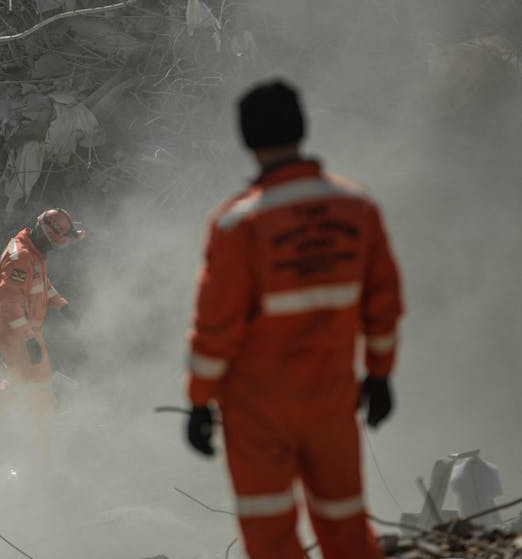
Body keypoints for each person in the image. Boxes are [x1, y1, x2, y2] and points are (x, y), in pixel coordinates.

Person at [183, 79, 403, 559]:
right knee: (346, 524)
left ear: (247, 141)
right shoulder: (357, 207)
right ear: (302, 127)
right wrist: (381, 376)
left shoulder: (238, 224)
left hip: (257, 411)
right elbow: (383, 304)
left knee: (271, 535)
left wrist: (199, 402)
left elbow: (216, 328)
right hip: (331, 400)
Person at [0, 208, 84, 462]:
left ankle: (36, 440)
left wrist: (62, 305)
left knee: (30, 386)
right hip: (16, 332)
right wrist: (27, 338)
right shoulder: (20, 258)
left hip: (27, 332)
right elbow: (8, 304)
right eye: (55, 243)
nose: (56, 249)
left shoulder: (35, 252)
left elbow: (41, 284)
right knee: (26, 388)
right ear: (46, 235)